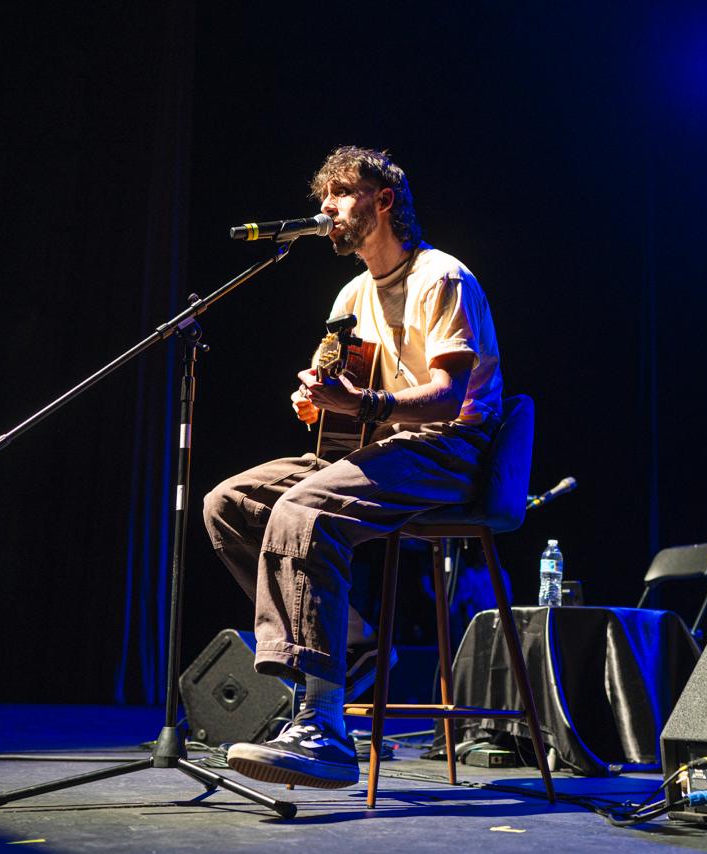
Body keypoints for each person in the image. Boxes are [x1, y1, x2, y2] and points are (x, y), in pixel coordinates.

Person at [200, 146, 504, 789]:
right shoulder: (351, 293)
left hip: (447, 450)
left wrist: (362, 402)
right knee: (229, 504)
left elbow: (448, 397)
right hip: (374, 447)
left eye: (339, 194)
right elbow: (333, 383)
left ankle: (324, 727)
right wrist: (315, 397)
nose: (326, 209)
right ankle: (352, 646)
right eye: (323, 198)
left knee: (303, 510)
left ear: (383, 201)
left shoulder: (441, 277)